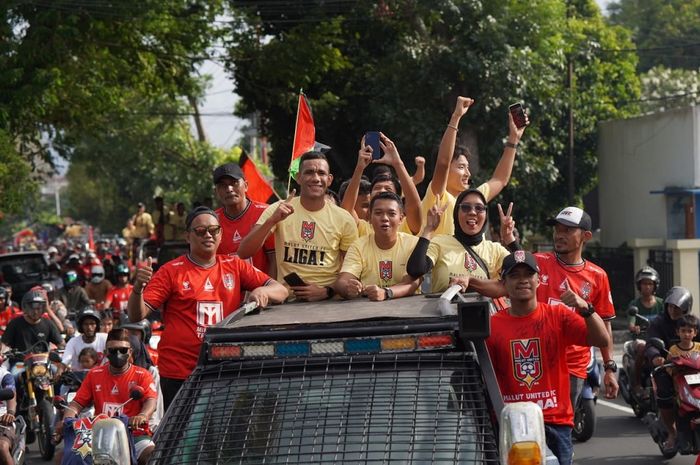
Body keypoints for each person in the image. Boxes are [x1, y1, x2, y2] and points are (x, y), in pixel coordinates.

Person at [127, 206, 288, 411]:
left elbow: (281, 290)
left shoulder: (235, 265)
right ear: (188, 236)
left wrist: (262, 292)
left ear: (221, 235)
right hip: (180, 374)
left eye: (214, 230)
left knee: (219, 438)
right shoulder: (170, 271)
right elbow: (135, 314)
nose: (208, 235)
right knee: (180, 439)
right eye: (201, 231)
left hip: (223, 368)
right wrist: (138, 288)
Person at [470, 207, 619, 406]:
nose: (559, 235)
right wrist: (467, 281)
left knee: (560, 425)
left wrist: (609, 368)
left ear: (587, 236)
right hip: (534, 360)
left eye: (567, 230)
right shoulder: (540, 262)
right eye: (557, 229)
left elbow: (604, 326)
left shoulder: (598, 276)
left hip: (572, 367)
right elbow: (501, 287)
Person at [486, 251, 609, 465]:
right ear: (503, 282)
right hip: (510, 423)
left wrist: (586, 309)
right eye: (515, 275)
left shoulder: (558, 316)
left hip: (555, 422)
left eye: (528, 274)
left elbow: (601, 339)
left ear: (538, 279)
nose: (523, 280)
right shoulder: (492, 325)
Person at [238, 151, 358, 301]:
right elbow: (243, 252)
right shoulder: (279, 209)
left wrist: (327, 291)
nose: (315, 178)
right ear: (298, 177)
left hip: (329, 304)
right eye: (309, 173)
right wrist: (272, 221)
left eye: (321, 173)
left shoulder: (344, 218)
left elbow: (352, 270)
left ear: (329, 179)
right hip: (287, 303)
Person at [421, 96, 527, 235]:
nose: (467, 173)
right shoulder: (437, 196)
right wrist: (456, 117)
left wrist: (513, 139)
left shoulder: (474, 198)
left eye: (467, 167)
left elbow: (500, 180)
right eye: (461, 167)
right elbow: (443, 163)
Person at [60, 329, 157, 465]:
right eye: (112, 350)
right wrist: (67, 421)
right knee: (63, 457)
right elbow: (76, 404)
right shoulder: (94, 374)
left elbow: (150, 401)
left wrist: (142, 416)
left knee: (153, 457)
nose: (118, 354)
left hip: (135, 434)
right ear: (105, 352)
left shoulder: (142, 375)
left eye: (123, 350)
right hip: (101, 435)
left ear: (130, 352)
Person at [406, 189, 518, 293]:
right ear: (456, 213)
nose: (473, 212)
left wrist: (509, 239)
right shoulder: (440, 242)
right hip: (443, 312)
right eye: (465, 207)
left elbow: (525, 274)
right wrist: (428, 230)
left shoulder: (495, 250)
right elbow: (415, 270)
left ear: (485, 215)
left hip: (484, 313)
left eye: (479, 208)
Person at [334, 192, 421, 301]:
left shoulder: (414, 244)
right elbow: (341, 281)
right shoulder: (358, 246)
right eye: (378, 213)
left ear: (401, 218)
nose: (384, 218)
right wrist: (347, 288)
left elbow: (413, 283)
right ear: (369, 217)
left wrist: (386, 293)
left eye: (391, 213)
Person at [341, 134, 422, 236]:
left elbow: (415, 206)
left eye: (388, 188)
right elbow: (346, 211)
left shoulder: (405, 226)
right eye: (377, 188)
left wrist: (397, 163)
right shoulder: (363, 228)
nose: (382, 190)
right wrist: (359, 167)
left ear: (399, 198)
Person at [646, 286, 694, 453]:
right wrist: (655, 357)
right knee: (665, 393)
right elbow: (652, 343)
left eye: (677, 307)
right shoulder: (658, 323)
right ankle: (672, 433)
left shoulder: (693, 324)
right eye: (670, 306)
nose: (673, 310)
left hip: (693, 370)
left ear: (686, 308)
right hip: (668, 368)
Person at [213, 162, 275, 276]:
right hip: (227, 289)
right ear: (216, 192)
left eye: (234, 183)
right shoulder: (212, 221)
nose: (229, 189)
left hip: (260, 290)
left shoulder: (265, 214)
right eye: (223, 185)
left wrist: (269, 290)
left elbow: (274, 259)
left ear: (246, 186)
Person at [627, 266, 664, 397]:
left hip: (657, 339)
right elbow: (631, 323)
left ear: (655, 286)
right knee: (643, 346)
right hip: (641, 339)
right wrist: (634, 327)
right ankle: (637, 383)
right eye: (644, 283)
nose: (647, 287)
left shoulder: (661, 303)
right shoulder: (635, 304)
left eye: (650, 284)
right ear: (639, 286)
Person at [1, 288, 64, 354]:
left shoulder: (48, 323)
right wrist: (4, 352)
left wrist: (59, 351)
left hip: (43, 362)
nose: (36, 312)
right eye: (32, 308)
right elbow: (4, 344)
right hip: (19, 362)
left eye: (38, 308)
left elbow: (61, 344)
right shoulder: (14, 323)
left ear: (43, 308)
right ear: (25, 308)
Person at [0, 362, 17, 465]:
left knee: (2, 447)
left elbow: (11, 393)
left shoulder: (4, 374)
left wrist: (10, 413)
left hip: (2, 420)